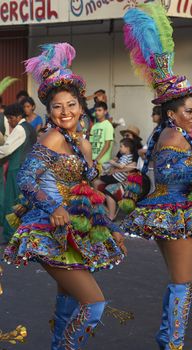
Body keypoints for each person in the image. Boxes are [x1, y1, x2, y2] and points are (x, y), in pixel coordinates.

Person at [3, 43, 127, 349]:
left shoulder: (82, 144)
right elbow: (26, 178)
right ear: (49, 111)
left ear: (81, 106)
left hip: (75, 228)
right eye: (57, 106)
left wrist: (110, 227)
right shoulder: (53, 137)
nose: (65, 112)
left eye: (71, 104)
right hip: (49, 228)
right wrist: (53, 205)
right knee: (94, 304)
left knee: (69, 300)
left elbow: (88, 192)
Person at [122, 4, 192, 350]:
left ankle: (169, 339)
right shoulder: (173, 136)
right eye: (189, 110)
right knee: (183, 283)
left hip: (170, 210)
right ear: (172, 112)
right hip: (175, 212)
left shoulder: (172, 134)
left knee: (178, 282)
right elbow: (169, 170)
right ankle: (173, 343)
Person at [0, 103, 37, 241]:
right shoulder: (30, 127)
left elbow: (7, 149)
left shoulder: (19, 129)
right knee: (23, 202)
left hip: (17, 168)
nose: (9, 121)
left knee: (12, 201)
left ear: (18, 116)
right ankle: (24, 233)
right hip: (28, 168)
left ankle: (10, 234)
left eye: (10, 118)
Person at [96, 138, 137, 220]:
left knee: (104, 181)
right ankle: (103, 208)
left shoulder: (127, 156)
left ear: (127, 148)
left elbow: (125, 166)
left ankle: (111, 215)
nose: (120, 148)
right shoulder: (125, 156)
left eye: (121, 146)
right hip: (116, 176)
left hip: (120, 179)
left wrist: (113, 164)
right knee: (98, 181)